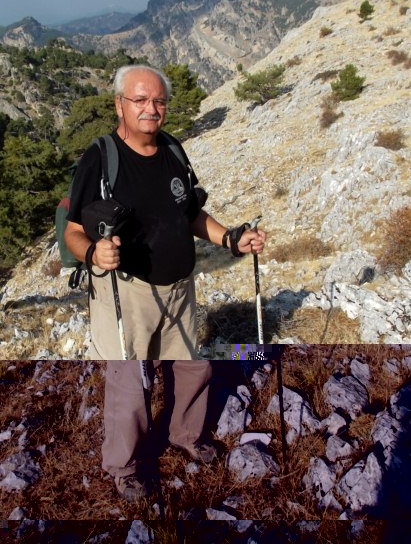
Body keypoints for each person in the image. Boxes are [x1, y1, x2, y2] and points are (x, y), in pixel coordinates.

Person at [64, 64, 266, 501]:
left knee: (194, 368)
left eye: (158, 101)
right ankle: (123, 465)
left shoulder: (174, 150)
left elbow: (190, 213)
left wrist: (231, 237)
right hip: (128, 293)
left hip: (180, 290)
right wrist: (93, 252)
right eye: (139, 100)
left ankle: (186, 436)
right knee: (130, 382)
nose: (150, 109)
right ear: (119, 104)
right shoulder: (100, 157)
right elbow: (72, 230)